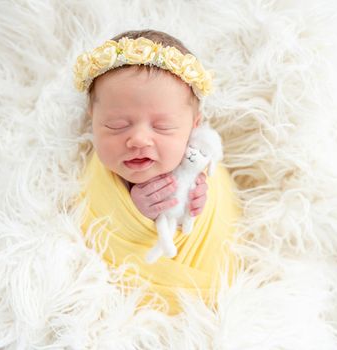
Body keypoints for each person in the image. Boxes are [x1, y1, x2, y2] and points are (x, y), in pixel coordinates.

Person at [75, 29, 241, 314]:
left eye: (163, 127)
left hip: (206, 291)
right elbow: (92, 212)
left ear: (193, 126)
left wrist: (199, 200)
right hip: (127, 299)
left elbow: (222, 203)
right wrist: (135, 210)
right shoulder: (96, 172)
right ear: (93, 119)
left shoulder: (197, 157)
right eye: (115, 125)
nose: (139, 139)